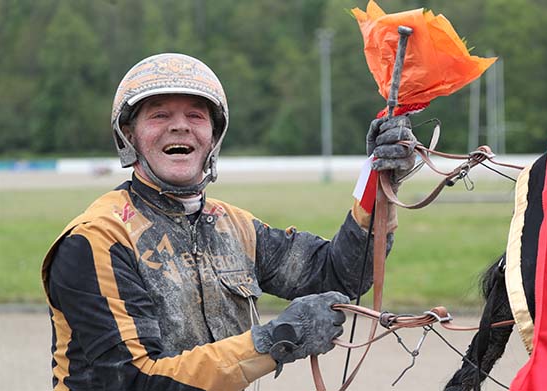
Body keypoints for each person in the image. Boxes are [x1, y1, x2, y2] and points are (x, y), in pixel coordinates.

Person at [41, 53, 416, 391]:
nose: (180, 127)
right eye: (159, 114)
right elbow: (136, 380)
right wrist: (276, 339)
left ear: (213, 136)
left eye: (195, 115)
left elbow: (341, 274)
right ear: (129, 134)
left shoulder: (233, 226)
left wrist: (379, 181)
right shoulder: (96, 240)